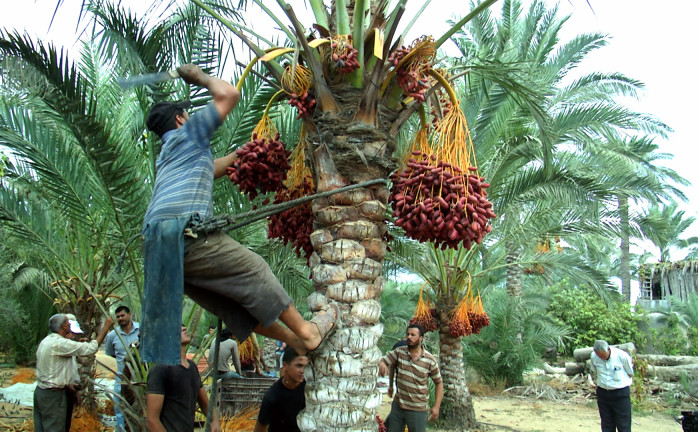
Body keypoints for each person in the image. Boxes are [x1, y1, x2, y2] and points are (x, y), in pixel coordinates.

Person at [140, 63, 339, 366]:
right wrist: (200, 78)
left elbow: (214, 168)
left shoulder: (168, 155)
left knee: (234, 306)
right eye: (188, 115)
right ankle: (308, 332)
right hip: (186, 236)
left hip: (160, 250)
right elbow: (229, 94)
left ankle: (295, 342)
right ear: (181, 119)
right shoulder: (188, 135)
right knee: (255, 270)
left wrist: (251, 151)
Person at [33, 313, 113, 432]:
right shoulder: (60, 344)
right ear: (64, 327)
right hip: (54, 396)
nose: (70, 326)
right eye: (68, 323)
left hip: (41, 392)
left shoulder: (47, 341)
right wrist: (105, 328)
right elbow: (91, 348)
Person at [146, 325, 220, 432]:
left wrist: (214, 420)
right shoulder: (161, 369)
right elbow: (152, 421)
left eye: (184, 327)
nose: (184, 329)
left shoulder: (192, 367)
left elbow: (205, 403)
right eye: (178, 329)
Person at [378, 324, 443, 432]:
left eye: (413, 335)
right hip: (398, 407)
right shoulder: (399, 352)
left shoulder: (429, 360)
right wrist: (382, 364)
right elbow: (384, 360)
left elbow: (439, 383)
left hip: (417, 410)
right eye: (408, 334)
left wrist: (436, 407)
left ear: (421, 338)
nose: (409, 337)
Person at [104, 305, 141, 431]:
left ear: (129, 314)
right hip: (121, 379)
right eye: (118, 317)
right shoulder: (113, 335)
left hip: (140, 381)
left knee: (140, 411)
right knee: (120, 411)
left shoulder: (141, 330)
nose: (120, 319)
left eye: (122, 315)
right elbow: (111, 353)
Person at [254, 347, 308, 432]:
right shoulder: (272, 397)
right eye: (299, 366)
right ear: (285, 365)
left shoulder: (308, 390)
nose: (302, 371)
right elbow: (260, 429)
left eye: (305, 366)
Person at [589, 340, 634, 432]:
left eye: (604, 356)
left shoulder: (622, 356)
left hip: (620, 393)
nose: (602, 358)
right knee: (607, 424)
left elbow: (630, 373)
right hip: (603, 393)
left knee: (623, 424)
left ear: (608, 349)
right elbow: (594, 371)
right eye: (599, 356)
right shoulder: (593, 356)